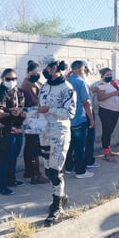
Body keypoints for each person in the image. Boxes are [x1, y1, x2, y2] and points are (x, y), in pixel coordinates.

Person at [36, 54, 76, 227]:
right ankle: (60, 195)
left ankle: (57, 205)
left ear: (54, 68)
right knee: (47, 170)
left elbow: (69, 113)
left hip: (59, 132)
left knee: (55, 170)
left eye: (46, 68)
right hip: (44, 132)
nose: (43, 71)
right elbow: (40, 109)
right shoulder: (44, 87)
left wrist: (49, 109)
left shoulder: (67, 88)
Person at [0, 68, 26, 195]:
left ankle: (11, 179)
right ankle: (2, 185)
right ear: (2, 79)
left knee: (14, 156)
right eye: (8, 79)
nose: (11, 81)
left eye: (14, 79)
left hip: (18, 128)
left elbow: (23, 108)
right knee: (3, 158)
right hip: (5, 130)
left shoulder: (19, 92)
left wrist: (21, 117)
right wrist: (11, 111)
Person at [20, 61, 49, 184]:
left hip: (33, 118)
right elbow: (35, 101)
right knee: (33, 147)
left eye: (38, 73)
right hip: (32, 118)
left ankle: (29, 171)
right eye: (34, 72)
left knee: (29, 146)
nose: (37, 75)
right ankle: (36, 175)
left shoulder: (32, 82)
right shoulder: (28, 84)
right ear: (28, 72)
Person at [64, 60, 95, 179]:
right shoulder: (81, 82)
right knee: (79, 146)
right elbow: (86, 102)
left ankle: (68, 167)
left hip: (68, 118)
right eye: (84, 69)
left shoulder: (66, 81)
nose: (84, 72)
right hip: (79, 118)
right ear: (81, 69)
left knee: (69, 145)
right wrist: (91, 119)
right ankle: (80, 171)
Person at [97, 67, 119, 161]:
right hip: (106, 111)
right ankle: (106, 154)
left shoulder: (111, 84)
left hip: (114, 112)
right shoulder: (102, 85)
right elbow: (100, 98)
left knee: (110, 132)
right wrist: (113, 94)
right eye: (107, 75)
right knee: (106, 132)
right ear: (102, 76)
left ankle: (109, 150)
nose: (109, 76)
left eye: (110, 75)